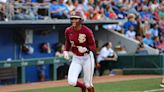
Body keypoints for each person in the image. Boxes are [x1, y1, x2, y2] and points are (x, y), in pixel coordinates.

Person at [63, 11, 96, 92]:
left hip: (87, 58)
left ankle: (86, 86)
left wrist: (86, 49)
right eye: (72, 19)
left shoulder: (87, 31)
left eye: (76, 19)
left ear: (81, 20)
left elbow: (93, 46)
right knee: (71, 81)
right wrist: (65, 51)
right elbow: (67, 42)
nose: (73, 20)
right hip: (76, 58)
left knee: (88, 84)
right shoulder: (68, 30)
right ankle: (82, 87)